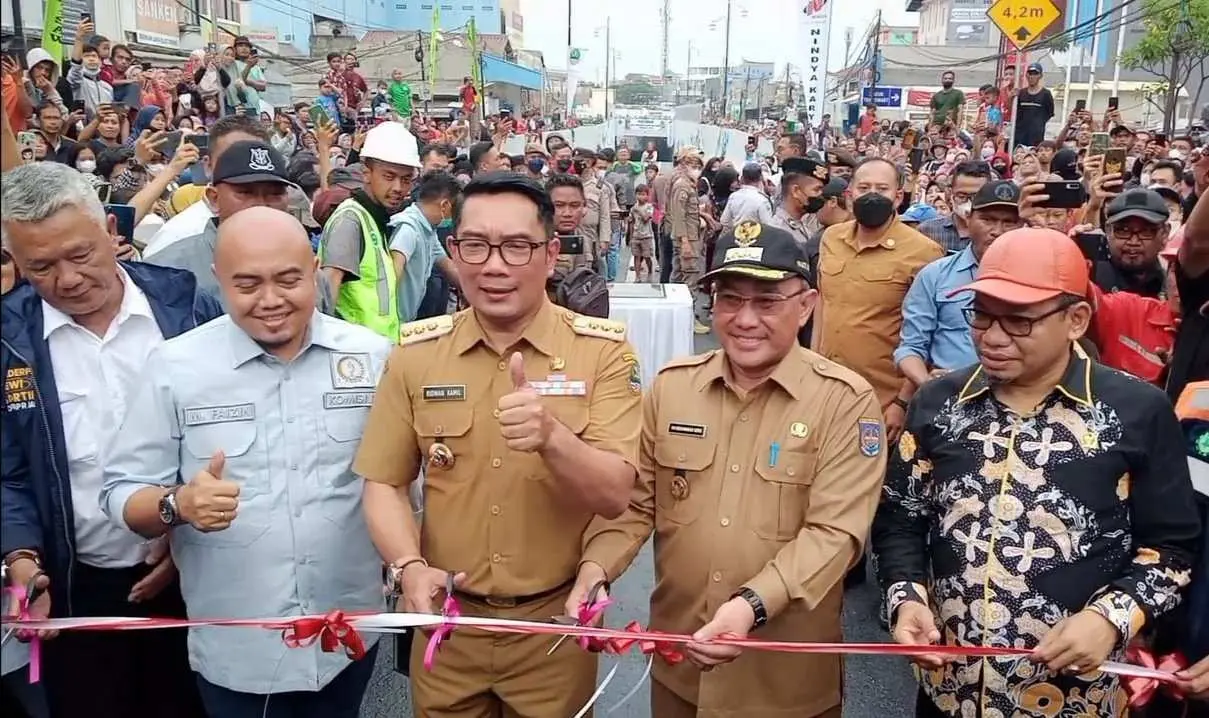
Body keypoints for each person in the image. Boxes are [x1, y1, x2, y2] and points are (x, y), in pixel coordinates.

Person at [874, 227, 1202, 718]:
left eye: (1019, 321)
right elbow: (900, 520)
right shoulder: (937, 402)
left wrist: (1109, 620)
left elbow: (1172, 550)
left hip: (1074, 698)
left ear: (1076, 319)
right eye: (982, 315)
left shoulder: (1137, 411)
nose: (993, 337)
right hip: (950, 691)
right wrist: (907, 598)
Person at [352, 172, 640, 714]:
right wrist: (408, 567)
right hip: (448, 626)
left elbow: (616, 493)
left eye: (516, 246)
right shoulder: (416, 354)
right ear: (454, 251)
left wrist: (554, 438)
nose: (494, 265)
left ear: (551, 254)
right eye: (476, 245)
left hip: (552, 629)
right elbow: (384, 482)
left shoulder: (603, 353)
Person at [576, 220, 885, 718]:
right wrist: (595, 570)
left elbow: (836, 534)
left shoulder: (844, 401)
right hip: (680, 668)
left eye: (766, 302)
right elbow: (635, 505)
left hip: (781, 682)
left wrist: (750, 605)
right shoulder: (673, 387)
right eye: (729, 299)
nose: (744, 319)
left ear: (805, 306)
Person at [100, 207, 386, 718]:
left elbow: (401, 484)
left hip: (349, 637)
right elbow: (121, 492)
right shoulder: (176, 366)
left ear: (316, 268)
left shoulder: (372, 357)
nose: (271, 300)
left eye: (289, 279)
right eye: (247, 284)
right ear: (218, 279)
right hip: (239, 655)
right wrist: (178, 504)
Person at [0, 162, 218, 718]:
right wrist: (22, 559)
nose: (67, 280)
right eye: (40, 267)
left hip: (200, 574)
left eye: (80, 255)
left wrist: (184, 541)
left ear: (112, 234)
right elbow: (8, 474)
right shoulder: (10, 342)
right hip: (75, 586)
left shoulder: (190, 310)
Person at [896, 179, 1024, 392]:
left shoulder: (1036, 277)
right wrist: (929, 385)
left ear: (1022, 225)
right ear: (968, 218)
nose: (997, 231)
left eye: (1009, 222)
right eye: (988, 220)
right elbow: (910, 348)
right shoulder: (935, 276)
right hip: (951, 396)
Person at [145, 140, 294, 309]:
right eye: (245, 193)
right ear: (214, 198)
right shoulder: (168, 270)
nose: (260, 205)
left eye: (274, 194)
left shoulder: (303, 264)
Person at [320, 122, 421, 339]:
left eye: (405, 180)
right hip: (355, 357)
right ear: (367, 173)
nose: (398, 188)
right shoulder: (351, 219)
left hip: (378, 353)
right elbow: (328, 289)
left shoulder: (374, 218)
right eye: (389, 176)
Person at [143, 115, 271, 258]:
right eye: (232, 158)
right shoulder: (176, 238)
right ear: (207, 165)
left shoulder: (287, 229)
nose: (244, 167)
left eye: (254, 157)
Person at [388, 170, 461, 323]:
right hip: (392, 322)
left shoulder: (428, 231)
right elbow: (393, 273)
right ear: (445, 205)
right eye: (454, 211)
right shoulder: (408, 228)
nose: (453, 218)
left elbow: (447, 266)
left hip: (406, 320)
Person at [668, 146, 708, 334]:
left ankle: (675, 316)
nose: (696, 168)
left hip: (689, 236)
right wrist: (684, 241)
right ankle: (689, 318)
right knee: (690, 279)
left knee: (678, 277)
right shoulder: (682, 185)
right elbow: (678, 215)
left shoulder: (687, 183)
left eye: (698, 164)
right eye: (692, 163)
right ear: (683, 164)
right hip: (688, 239)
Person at [917, 161, 992, 254]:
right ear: (951, 194)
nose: (968, 202)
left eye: (976, 196)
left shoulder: (995, 234)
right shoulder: (927, 231)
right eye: (961, 196)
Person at [720, 162, 775, 234]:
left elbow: (724, 221)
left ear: (742, 178)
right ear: (760, 178)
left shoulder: (733, 196)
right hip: (756, 240)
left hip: (736, 237)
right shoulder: (762, 200)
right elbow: (769, 227)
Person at [1013, 62, 1054, 149]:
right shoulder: (1020, 93)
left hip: (1036, 137)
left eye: (1035, 74)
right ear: (1026, 75)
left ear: (1040, 76)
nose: (1032, 76)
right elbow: (1013, 111)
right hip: (1019, 136)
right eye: (1030, 73)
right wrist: (1011, 97)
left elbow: (1049, 113)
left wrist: (1038, 124)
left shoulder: (1046, 94)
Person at [629, 184, 656, 281]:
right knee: (637, 256)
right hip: (636, 236)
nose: (641, 196)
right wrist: (631, 236)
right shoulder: (633, 208)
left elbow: (646, 218)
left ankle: (650, 271)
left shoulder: (649, 207)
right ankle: (637, 276)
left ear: (647, 196)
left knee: (647, 256)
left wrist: (639, 211)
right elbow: (631, 222)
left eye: (644, 194)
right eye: (639, 194)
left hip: (646, 236)